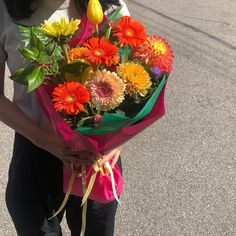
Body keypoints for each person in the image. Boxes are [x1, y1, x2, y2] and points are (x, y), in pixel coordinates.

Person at [0, 0, 130, 235]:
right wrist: (46, 140)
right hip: (34, 149)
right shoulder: (5, 10)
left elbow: (131, 82)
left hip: (97, 158)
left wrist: (117, 143)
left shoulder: (109, 6)